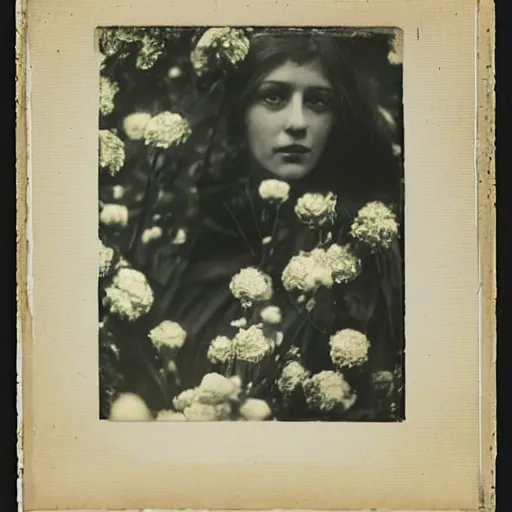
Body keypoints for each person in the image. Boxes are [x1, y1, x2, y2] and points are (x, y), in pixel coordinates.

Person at [118, 28, 404, 421]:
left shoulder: (359, 250)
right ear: (239, 109)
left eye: (318, 102)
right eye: (274, 97)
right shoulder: (197, 234)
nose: (297, 122)